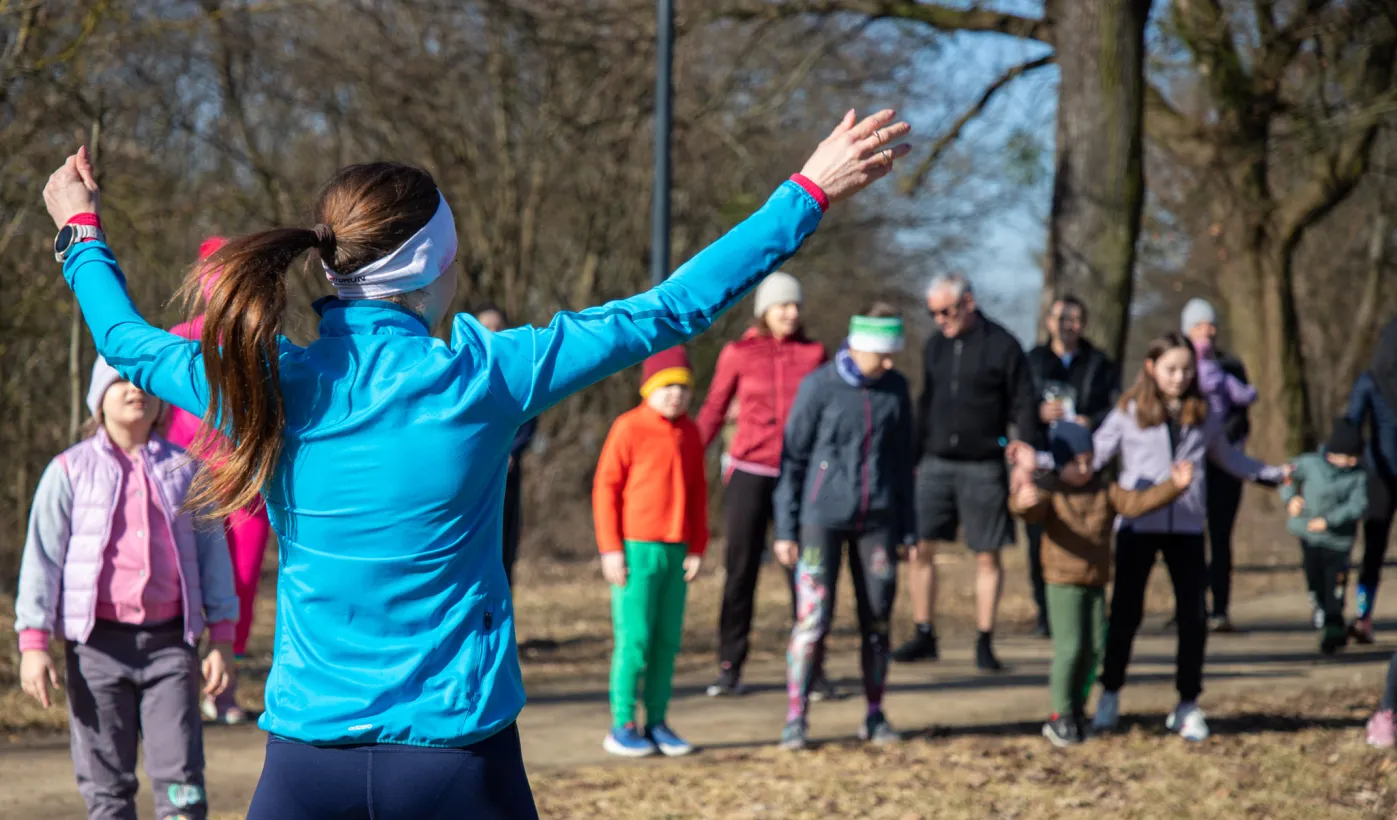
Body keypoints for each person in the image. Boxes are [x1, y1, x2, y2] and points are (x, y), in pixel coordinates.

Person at [43, 109, 911, 817]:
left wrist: (79, 228)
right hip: (457, 765)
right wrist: (807, 192)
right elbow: (669, 309)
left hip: (305, 770)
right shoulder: (484, 375)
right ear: (437, 263)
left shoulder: (262, 383)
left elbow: (125, 341)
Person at [1012, 332, 1285, 742]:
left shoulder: (1204, 413)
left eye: (1186, 370)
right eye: (1171, 369)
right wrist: (1036, 462)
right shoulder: (1128, 411)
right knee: (1124, 615)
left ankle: (1188, 703)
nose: (1178, 377)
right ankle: (1111, 694)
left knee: (1194, 618)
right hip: (1137, 526)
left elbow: (1229, 458)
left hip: (1188, 527)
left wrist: (1273, 475)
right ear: (1150, 368)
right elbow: (1092, 456)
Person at [15, 356, 239, 820]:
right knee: (106, 782)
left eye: (144, 382)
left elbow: (215, 559)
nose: (135, 388)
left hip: (170, 648)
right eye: (120, 380)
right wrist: (33, 644)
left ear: (162, 402)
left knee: (181, 777)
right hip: (95, 649)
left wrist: (222, 639)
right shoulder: (69, 470)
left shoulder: (188, 471)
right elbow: (42, 560)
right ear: (98, 399)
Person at [773, 305, 916, 750]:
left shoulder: (896, 389)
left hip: (878, 521)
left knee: (878, 619)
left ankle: (874, 714)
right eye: (884, 353)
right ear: (860, 345)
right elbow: (792, 460)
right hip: (820, 521)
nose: (891, 362)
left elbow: (903, 463)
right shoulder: (819, 386)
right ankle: (796, 718)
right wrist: (786, 528)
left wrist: (908, 530)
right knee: (812, 620)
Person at [1008, 421, 1191, 746]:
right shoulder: (1052, 491)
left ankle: (1078, 710)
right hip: (1063, 582)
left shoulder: (1104, 490)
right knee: (1070, 648)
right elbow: (1030, 510)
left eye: (1089, 459)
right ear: (1060, 463)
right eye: (1076, 462)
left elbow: (1137, 503)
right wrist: (1021, 502)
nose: (1084, 468)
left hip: (1095, 581)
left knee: (1093, 648)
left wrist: (1174, 486)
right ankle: (1059, 715)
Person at [695, 271, 828, 698]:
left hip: (800, 476)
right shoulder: (737, 353)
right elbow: (714, 408)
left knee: (804, 576)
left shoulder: (814, 354)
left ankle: (813, 671)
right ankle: (730, 667)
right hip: (749, 472)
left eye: (795, 305)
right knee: (741, 573)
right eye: (781, 305)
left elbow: (831, 412)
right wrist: (685, 453)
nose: (790, 313)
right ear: (764, 311)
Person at [895, 273, 1037, 672]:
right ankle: (924, 633)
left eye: (947, 310)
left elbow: (1024, 403)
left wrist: (1023, 452)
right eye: (933, 313)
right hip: (936, 461)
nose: (941, 319)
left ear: (969, 302)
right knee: (919, 548)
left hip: (983, 465)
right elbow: (926, 403)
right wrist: (911, 459)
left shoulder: (1003, 345)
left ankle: (984, 641)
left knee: (987, 555)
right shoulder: (935, 346)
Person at [161, 235, 274, 726]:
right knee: (189, 580)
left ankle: (224, 686)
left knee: (242, 585)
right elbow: (161, 406)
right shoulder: (180, 335)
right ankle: (176, 685)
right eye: (216, 273)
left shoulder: (260, 337)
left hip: (248, 488)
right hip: (192, 483)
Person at [593, 348, 706, 758]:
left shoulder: (691, 433)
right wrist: (610, 549)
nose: (676, 394)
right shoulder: (628, 427)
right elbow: (606, 489)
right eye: (667, 385)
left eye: (683, 386)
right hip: (634, 552)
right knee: (635, 640)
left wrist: (698, 546)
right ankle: (622, 724)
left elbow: (697, 493)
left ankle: (657, 721)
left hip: (677, 553)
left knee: (666, 641)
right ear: (649, 387)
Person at [1024, 294, 1121, 637]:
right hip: (1044, 461)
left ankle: (1092, 609)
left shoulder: (1099, 363)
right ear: (1049, 321)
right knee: (1039, 539)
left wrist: (1089, 421)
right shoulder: (1032, 361)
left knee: (1089, 535)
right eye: (1062, 318)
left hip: (1085, 464)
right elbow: (1017, 405)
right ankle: (1045, 612)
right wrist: (1038, 412)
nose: (1069, 325)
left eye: (1076, 319)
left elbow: (1115, 408)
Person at [1182, 298, 1258, 633]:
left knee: (1221, 536)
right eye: (1199, 326)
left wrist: (1220, 439)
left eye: (1210, 324)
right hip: (1192, 466)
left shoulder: (1231, 366)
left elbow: (1243, 415)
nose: (1207, 331)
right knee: (1189, 536)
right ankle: (1191, 603)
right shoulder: (1180, 366)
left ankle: (1221, 608)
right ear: (1188, 330)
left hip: (1226, 464)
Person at [1280, 418, 1369, 654]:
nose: (1352, 461)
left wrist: (1329, 521)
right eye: (1348, 456)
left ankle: (1333, 626)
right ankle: (1322, 611)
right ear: (1333, 453)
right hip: (1308, 535)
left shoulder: (1357, 476)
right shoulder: (1310, 464)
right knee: (1315, 579)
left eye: (1355, 456)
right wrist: (1290, 498)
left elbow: (1358, 505)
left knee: (1336, 584)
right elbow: (1286, 474)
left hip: (1338, 541)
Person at [476, 305, 538, 586]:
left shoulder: (519, 373)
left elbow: (528, 420)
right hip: (473, 479)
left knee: (505, 549)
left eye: (499, 328)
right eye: (486, 328)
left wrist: (510, 451)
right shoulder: (461, 372)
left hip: (507, 479)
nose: (493, 334)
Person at [1346, 318, 1397, 644]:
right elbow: (1351, 425)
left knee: (1373, 551)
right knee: (1374, 549)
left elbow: (1351, 421)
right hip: (1378, 477)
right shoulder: (1370, 381)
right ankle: (1363, 616)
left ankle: (1364, 616)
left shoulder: (1370, 379)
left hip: (1378, 475)